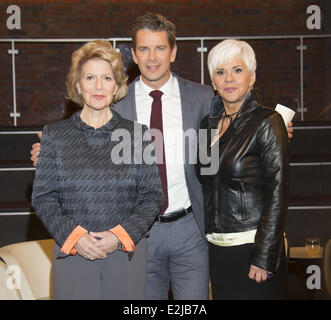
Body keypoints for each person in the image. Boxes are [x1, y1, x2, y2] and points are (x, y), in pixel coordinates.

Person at [30, 13, 293, 300]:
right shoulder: (116, 101)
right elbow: (90, 142)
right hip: (139, 231)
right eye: (144, 49)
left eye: (160, 48)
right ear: (133, 54)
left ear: (174, 52)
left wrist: (278, 125)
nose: (152, 57)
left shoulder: (204, 98)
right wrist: (49, 155)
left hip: (190, 229)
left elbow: (238, 114)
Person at [31, 40, 164, 300]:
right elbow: (43, 198)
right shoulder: (55, 136)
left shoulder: (137, 135)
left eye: (107, 78)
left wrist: (118, 236)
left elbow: (152, 196)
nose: (99, 86)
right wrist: (76, 237)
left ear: (116, 86)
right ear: (78, 85)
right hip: (73, 254)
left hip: (125, 254)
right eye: (90, 77)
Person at [196, 39, 289, 300]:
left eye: (237, 70)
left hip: (253, 250)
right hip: (217, 249)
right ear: (213, 82)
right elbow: (204, 179)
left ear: (252, 77)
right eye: (220, 72)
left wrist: (264, 255)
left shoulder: (268, 122)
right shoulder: (207, 125)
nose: (229, 79)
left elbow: (278, 193)